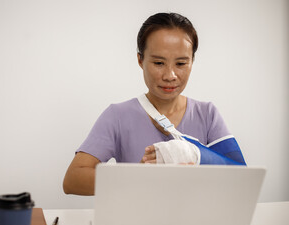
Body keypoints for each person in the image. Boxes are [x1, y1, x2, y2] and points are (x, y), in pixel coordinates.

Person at [63, 12, 245, 196]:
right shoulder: (117, 116)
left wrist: (193, 157)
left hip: (196, 222)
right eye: (159, 62)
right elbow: (72, 180)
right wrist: (138, 177)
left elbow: (240, 179)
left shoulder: (207, 114)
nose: (170, 75)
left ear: (192, 62)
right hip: (137, 222)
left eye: (181, 63)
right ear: (140, 60)